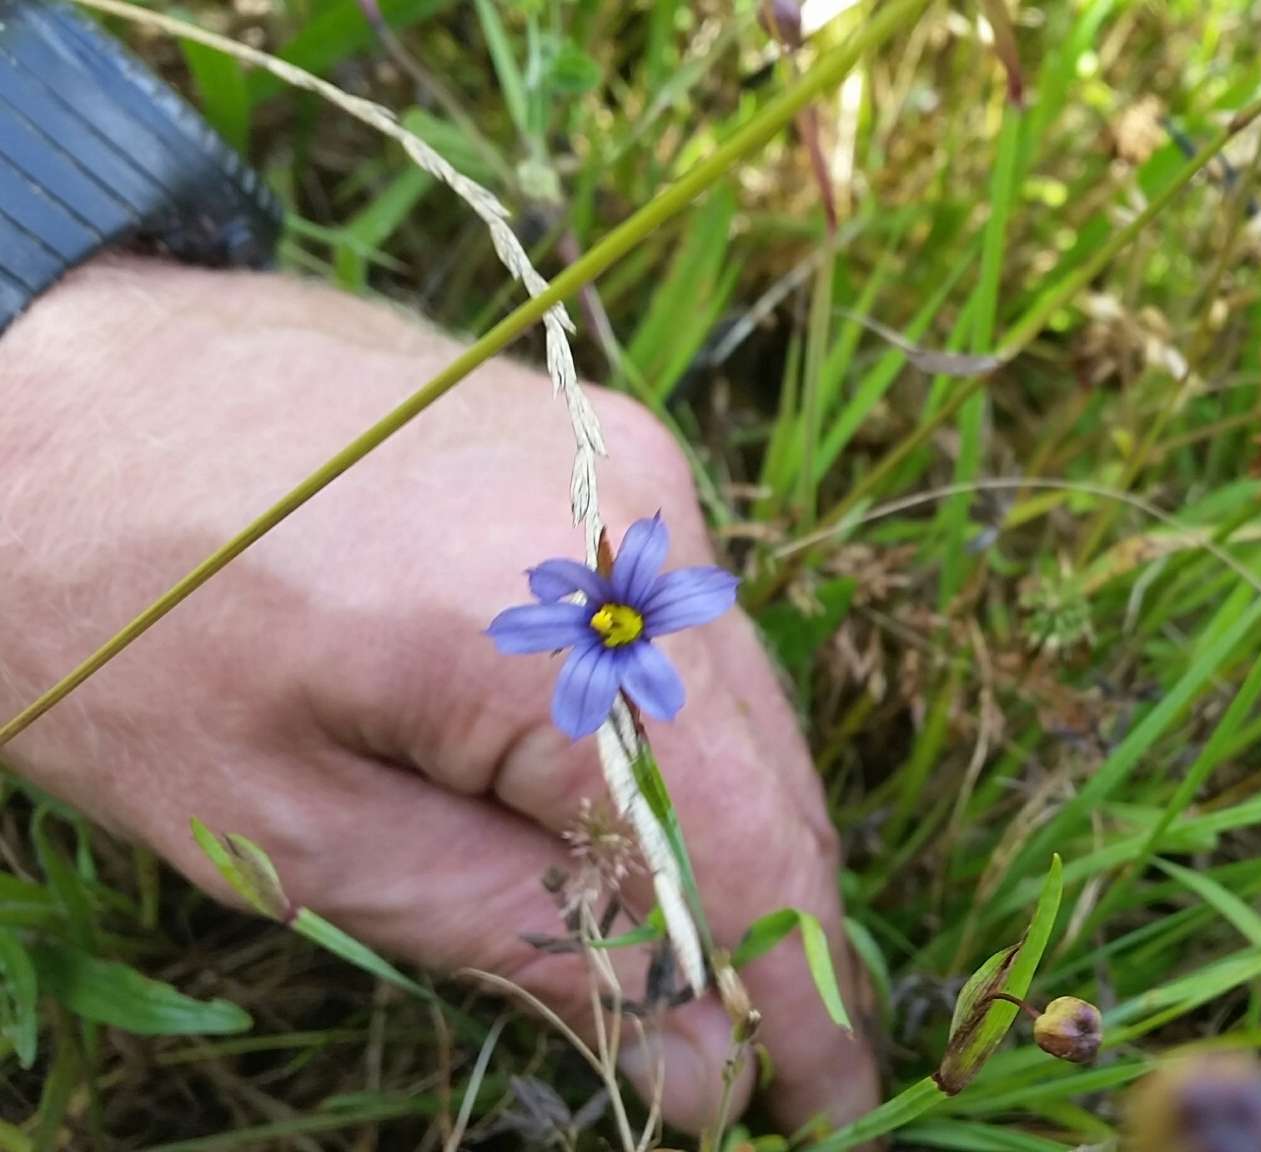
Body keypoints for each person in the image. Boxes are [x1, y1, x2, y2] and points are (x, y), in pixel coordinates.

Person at [0, 253, 879, 1130]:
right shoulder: (582, 638)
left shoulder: (626, 636)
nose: (614, 626)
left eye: (620, 624)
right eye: (608, 620)